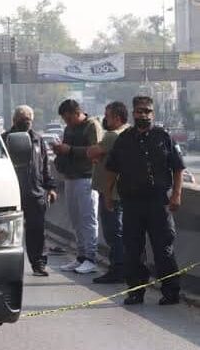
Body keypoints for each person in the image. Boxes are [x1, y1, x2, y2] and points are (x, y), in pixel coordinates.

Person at [106, 96, 185, 305]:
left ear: (153, 113)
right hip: (131, 203)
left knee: (164, 249)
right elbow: (112, 170)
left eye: (148, 111)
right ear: (133, 113)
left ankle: (170, 292)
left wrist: (176, 194)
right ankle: (136, 291)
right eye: (140, 111)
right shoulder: (123, 140)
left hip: (158, 203)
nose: (144, 115)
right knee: (133, 249)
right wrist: (108, 195)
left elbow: (177, 168)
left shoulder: (163, 137)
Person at [2, 105, 57, 276]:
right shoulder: (4, 140)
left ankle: (38, 263)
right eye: (22, 121)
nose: (26, 124)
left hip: (36, 193)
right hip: (11, 194)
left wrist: (50, 187)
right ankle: (5, 266)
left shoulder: (38, 139)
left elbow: (45, 165)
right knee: (5, 232)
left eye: (28, 121)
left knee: (37, 231)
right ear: (14, 121)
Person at [52, 99, 103, 274]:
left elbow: (96, 150)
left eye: (68, 118)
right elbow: (67, 150)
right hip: (70, 177)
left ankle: (91, 257)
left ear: (76, 113)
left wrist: (70, 150)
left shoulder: (91, 126)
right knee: (75, 220)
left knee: (88, 220)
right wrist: (60, 151)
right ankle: (81, 256)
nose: (67, 123)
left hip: (86, 178)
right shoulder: (69, 129)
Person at [86, 102, 129, 283]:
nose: (105, 119)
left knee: (113, 233)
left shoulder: (112, 135)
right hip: (122, 191)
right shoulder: (128, 132)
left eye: (108, 116)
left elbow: (92, 152)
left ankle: (117, 269)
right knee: (120, 232)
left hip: (111, 192)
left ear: (117, 118)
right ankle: (123, 268)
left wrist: (96, 153)